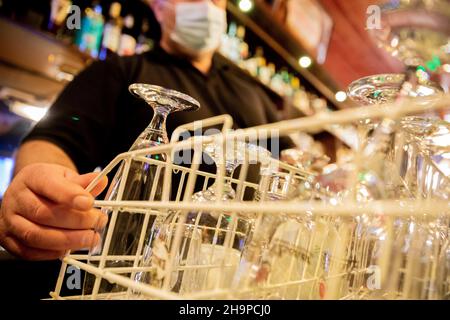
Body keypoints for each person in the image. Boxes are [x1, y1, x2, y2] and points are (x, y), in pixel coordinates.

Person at [0, 0, 292, 263]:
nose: (205, 5)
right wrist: (43, 195)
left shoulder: (254, 95)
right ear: (158, 6)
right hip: (137, 272)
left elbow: (292, 163)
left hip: (246, 275)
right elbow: (53, 143)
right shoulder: (119, 72)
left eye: (215, 0)